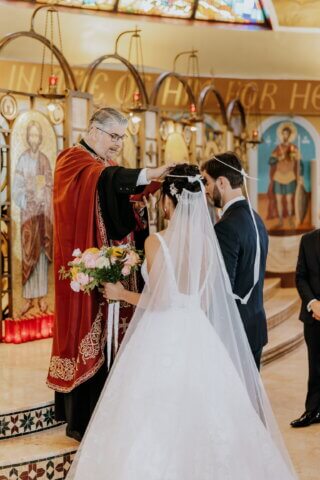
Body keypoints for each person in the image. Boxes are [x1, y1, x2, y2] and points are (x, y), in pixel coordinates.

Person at [67, 164, 296, 480]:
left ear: (166, 202)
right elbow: (202, 300)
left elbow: (159, 300)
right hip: (198, 332)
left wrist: (121, 293)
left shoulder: (156, 242)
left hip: (161, 334)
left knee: (151, 414)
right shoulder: (208, 244)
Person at [47, 107, 173, 441]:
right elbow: (103, 183)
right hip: (81, 270)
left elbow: (117, 197)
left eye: (122, 137)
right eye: (114, 136)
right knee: (86, 329)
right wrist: (145, 174)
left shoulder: (107, 167)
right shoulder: (72, 161)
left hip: (109, 268)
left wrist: (145, 191)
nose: (118, 144)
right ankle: (80, 419)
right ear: (95, 130)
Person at [201, 152, 268, 370]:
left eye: (207, 182)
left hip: (234, 331)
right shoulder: (255, 217)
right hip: (255, 323)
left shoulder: (226, 226)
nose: (207, 190)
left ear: (222, 181)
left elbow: (222, 289)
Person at [12, 120, 53, 316]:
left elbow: (52, 186)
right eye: (31, 135)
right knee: (29, 253)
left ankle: (43, 298)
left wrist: (44, 193)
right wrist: (28, 195)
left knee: (43, 255)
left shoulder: (45, 160)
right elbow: (16, 189)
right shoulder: (21, 160)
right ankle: (28, 298)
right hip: (29, 215)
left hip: (43, 216)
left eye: (37, 135)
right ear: (27, 138)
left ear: (40, 138)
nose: (34, 139)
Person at [291, 230, 320, 428]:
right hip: (313, 315)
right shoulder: (307, 240)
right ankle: (312, 411)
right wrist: (313, 302)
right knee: (315, 366)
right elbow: (300, 277)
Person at [268, 125, 300, 228]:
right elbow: (270, 161)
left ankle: (290, 218)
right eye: (283, 134)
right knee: (278, 199)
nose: (285, 136)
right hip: (278, 176)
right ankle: (281, 220)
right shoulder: (278, 148)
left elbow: (300, 163)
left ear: (290, 135)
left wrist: (301, 176)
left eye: (287, 134)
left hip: (290, 176)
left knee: (289, 200)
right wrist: (278, 158)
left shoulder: (293, 148)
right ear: (282, 135)